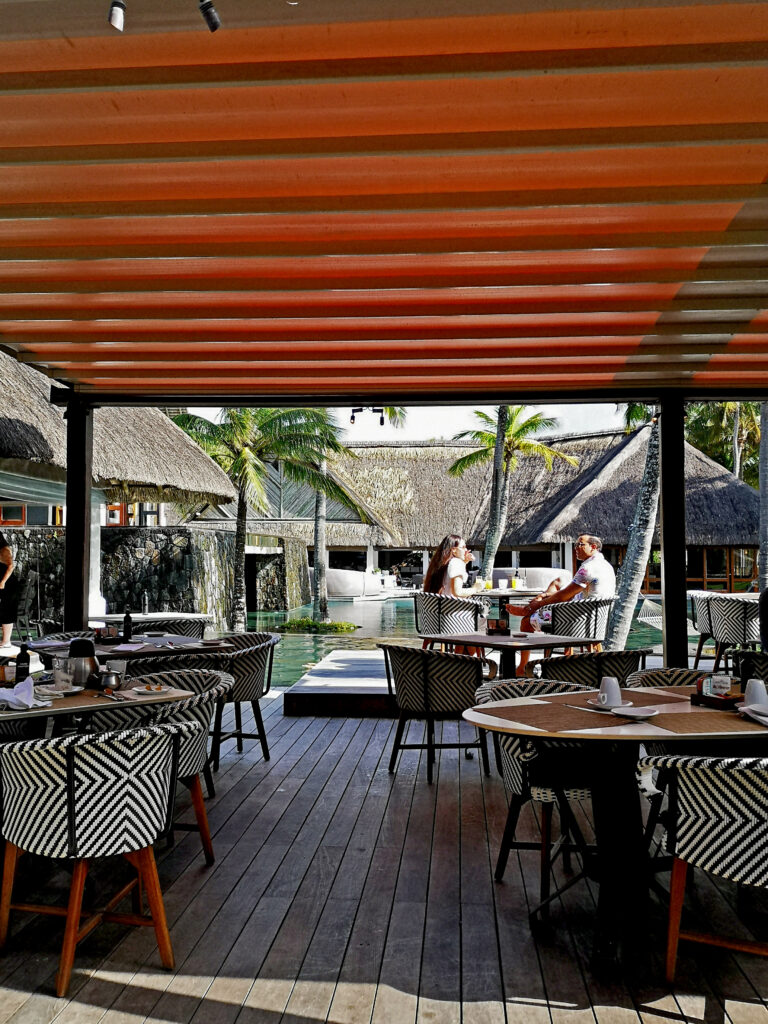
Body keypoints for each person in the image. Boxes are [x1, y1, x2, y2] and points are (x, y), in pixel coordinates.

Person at [506, 534, 616, 675]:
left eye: (580, 545)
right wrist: (545, 597)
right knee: (555, 589)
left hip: (574, 622)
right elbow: (573, 593)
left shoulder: (588, 568)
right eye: (575, 545)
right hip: (594, 622)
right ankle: (531, 607)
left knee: (527, 621)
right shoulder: (606, 566)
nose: (576, 548)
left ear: (593, 547)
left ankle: (522, 668)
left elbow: (562, 596)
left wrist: (536, 605)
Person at [422, 534, 483, 655]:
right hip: (452, 621)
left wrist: (464, 561)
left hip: (435, 620)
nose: (467, 550)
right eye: (464, 547)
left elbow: (449, 586)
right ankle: (469, 658)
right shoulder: (456, 563)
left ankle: (463, 656)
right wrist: (476, 588)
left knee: (478, 618)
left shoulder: (440, 564)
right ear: (453, 550)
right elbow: (458, 592)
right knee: (483, 619)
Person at [0, 531, 20, 650]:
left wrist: (2, 581)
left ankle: (6, 641)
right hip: (3, 584)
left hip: (8, 584)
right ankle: (5, 641)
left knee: (7, 610)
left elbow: (11, 566)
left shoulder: (4, 550)